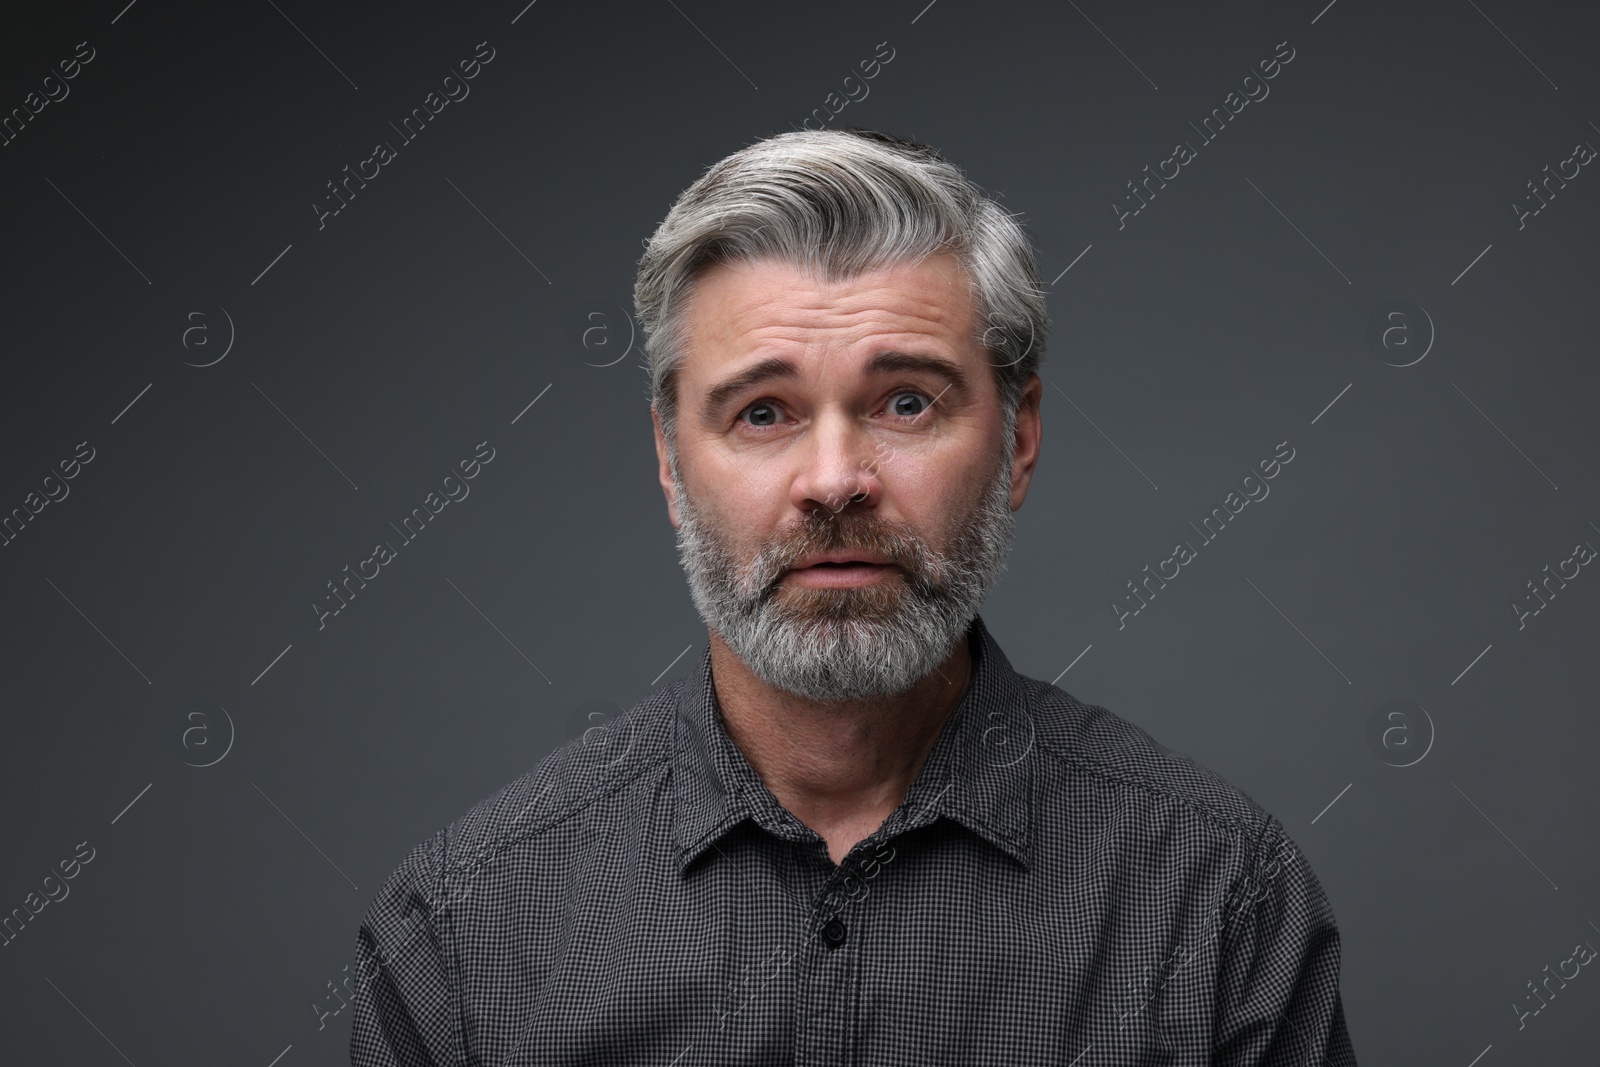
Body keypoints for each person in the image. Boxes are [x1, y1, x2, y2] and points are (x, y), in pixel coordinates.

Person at [350, 128, 1357, 1065]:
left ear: (1018, 436)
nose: (833, 479)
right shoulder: (464, 931)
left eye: (905, 401)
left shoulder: (1221, 899)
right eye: (762, 411)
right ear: (667, 455)